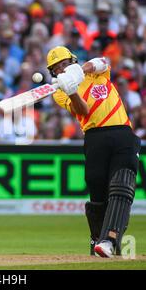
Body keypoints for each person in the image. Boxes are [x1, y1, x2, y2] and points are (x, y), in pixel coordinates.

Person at [46, 46, 141, 258]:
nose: (61, 70)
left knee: (122, 187)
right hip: (94, 137)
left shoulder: (94, 72)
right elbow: (83, 111)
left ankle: (109, 239)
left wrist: (78, 72)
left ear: (73, 61)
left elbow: (103, 61)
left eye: (63, 64)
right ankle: (98, 240)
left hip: (122, 133)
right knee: (98, 194)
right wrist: (71, 89)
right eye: (56, 69)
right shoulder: (59, 93)